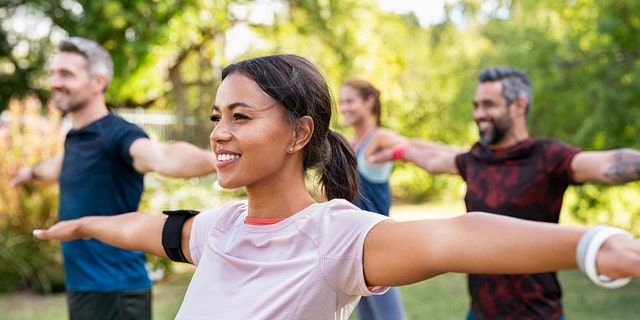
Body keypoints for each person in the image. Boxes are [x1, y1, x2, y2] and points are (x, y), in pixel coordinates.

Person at [31, 55, 640, 320]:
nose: (219, 131)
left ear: (299, 132)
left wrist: (592, 245)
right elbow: (147, 228)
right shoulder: (221, 228)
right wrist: (83, 225)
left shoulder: (335, 235)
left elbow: (459, 235)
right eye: (217, 116)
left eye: (240, 117)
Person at [369, 66, 640, 320]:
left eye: (489, 105)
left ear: (519, 105)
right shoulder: (475, 158)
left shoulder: (548, 157)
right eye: (476, 105)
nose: (478, 114)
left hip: (536, 312)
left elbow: (608, 163)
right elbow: (433, 157)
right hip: (479, 312)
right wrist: (393, 152)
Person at [11, 37, 217, 320]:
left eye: (66, 74)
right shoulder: (77, 138)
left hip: (115, 291)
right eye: (54, 73)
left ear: (98, 82)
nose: (55, 82)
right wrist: (29, 173)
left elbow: (162, 156)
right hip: (84, 287)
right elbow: (60, 166)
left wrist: (218, 160)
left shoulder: (118, 135)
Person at [339, 78, 407, 320]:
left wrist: (393, 154)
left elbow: (414, 149)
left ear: (369, 101)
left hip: (379, 246)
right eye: (341, 102)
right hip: (352, 247)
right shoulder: (349, 145)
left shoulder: (379, 138)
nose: (343, 107)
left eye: (349, 101)